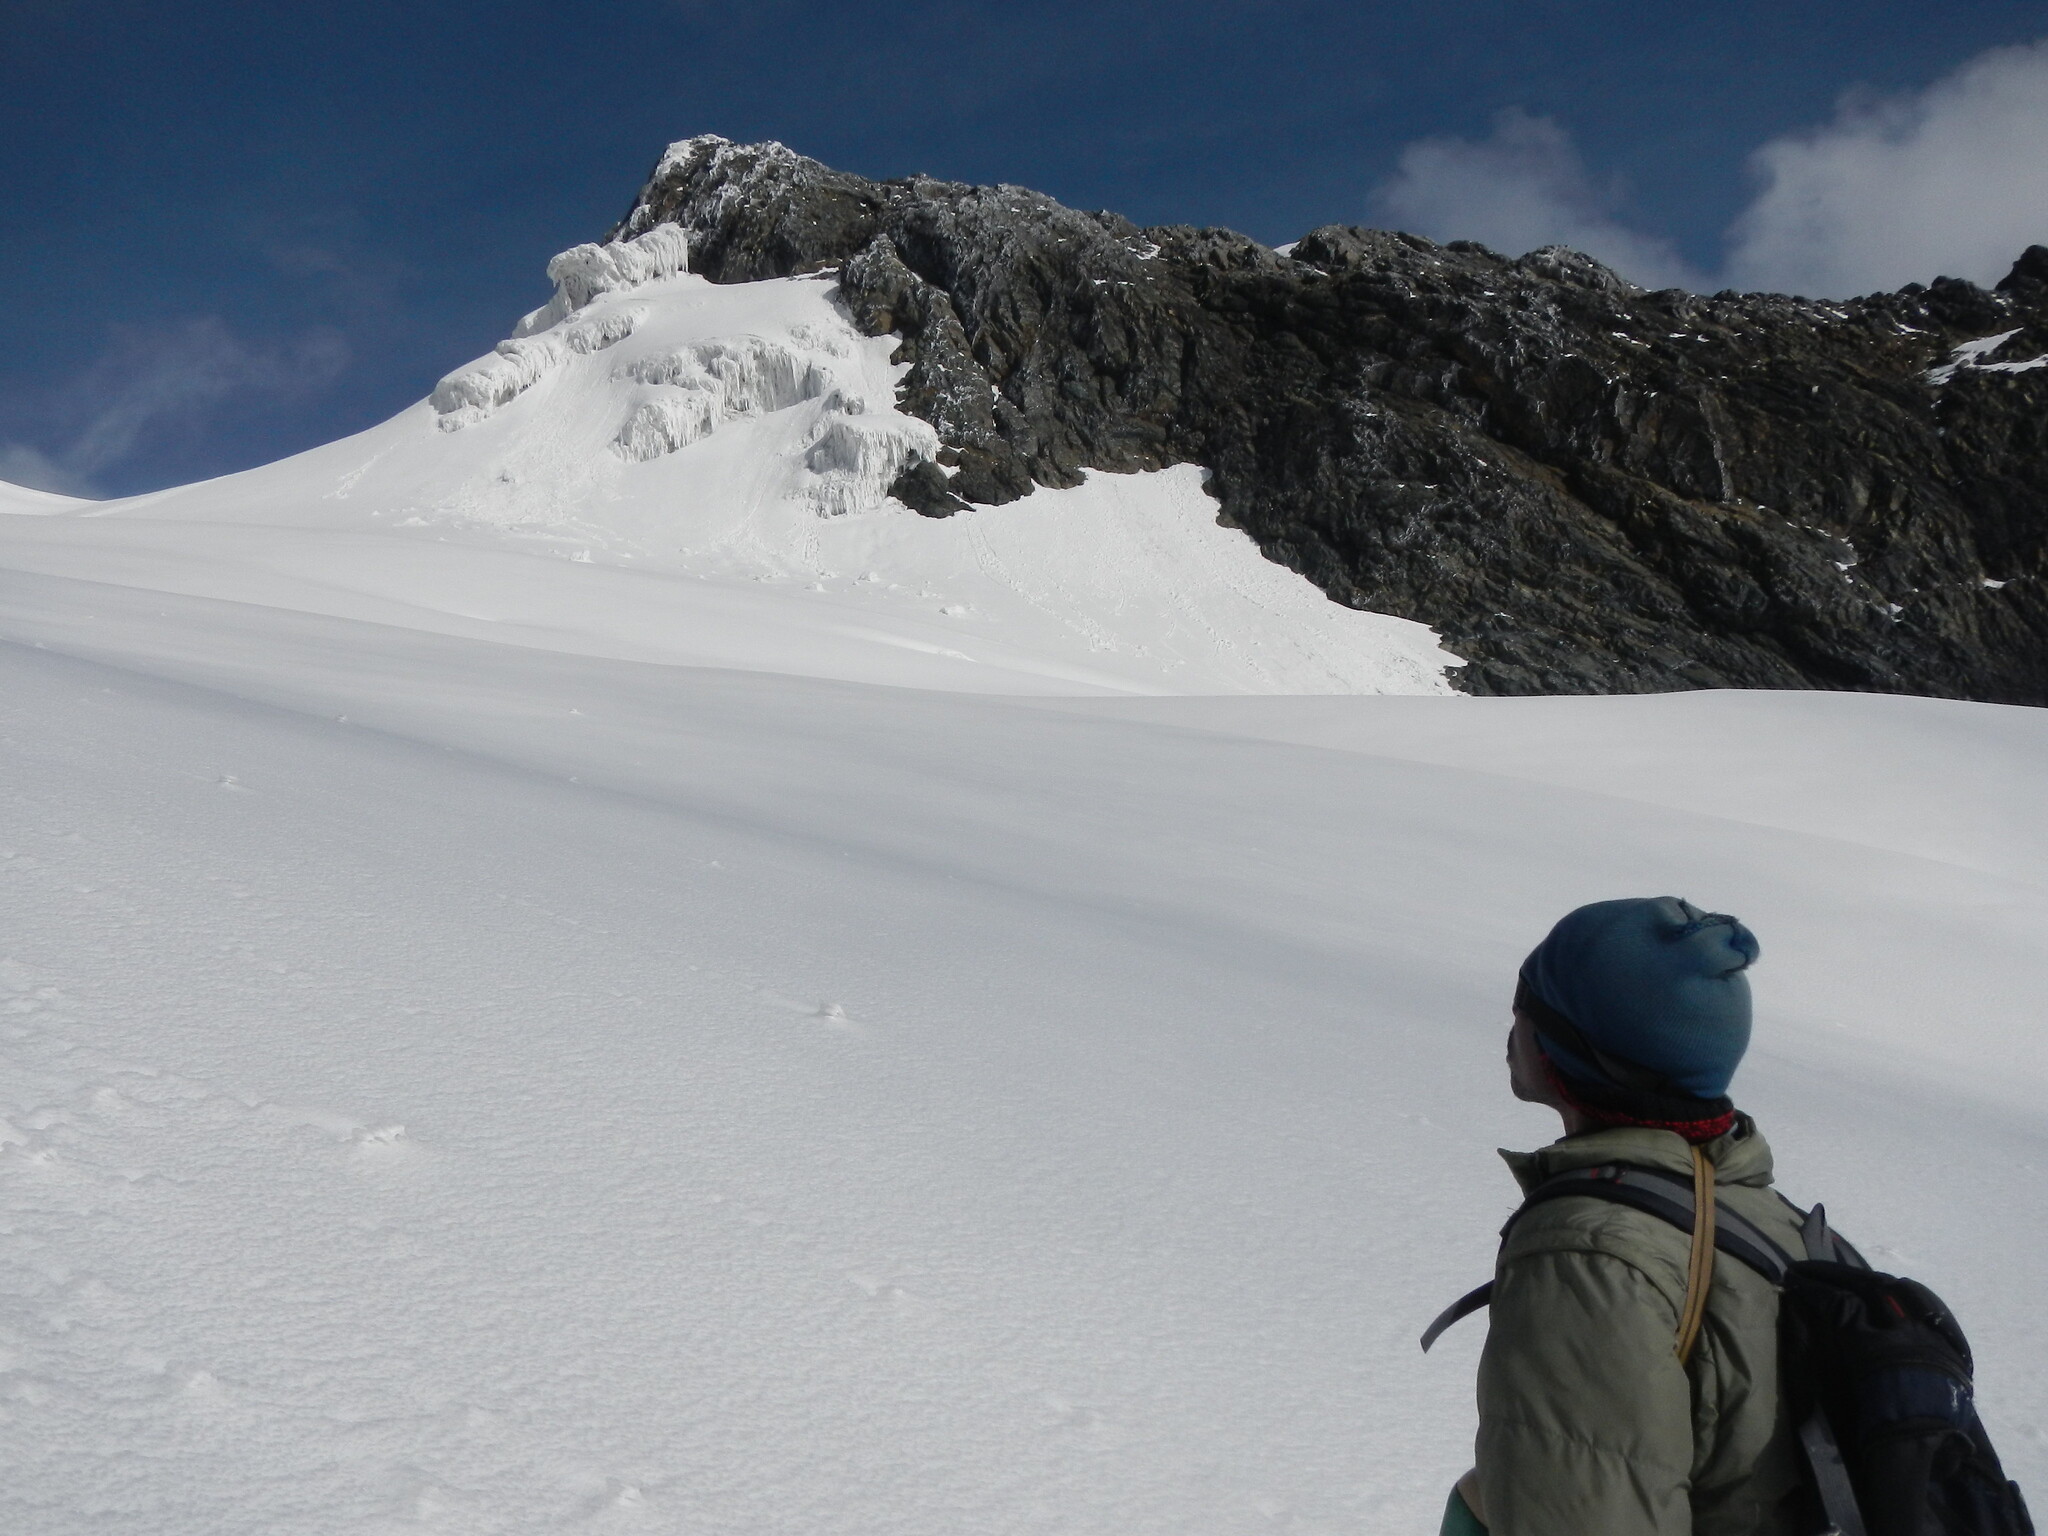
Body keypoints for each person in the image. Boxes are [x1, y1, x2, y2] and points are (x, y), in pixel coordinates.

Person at [1443, 896, 1816, 1536]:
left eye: (1526, 1006)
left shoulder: (1589, 1257)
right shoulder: (1764, 1215)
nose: (1511, 1027)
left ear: (1570, 1052)